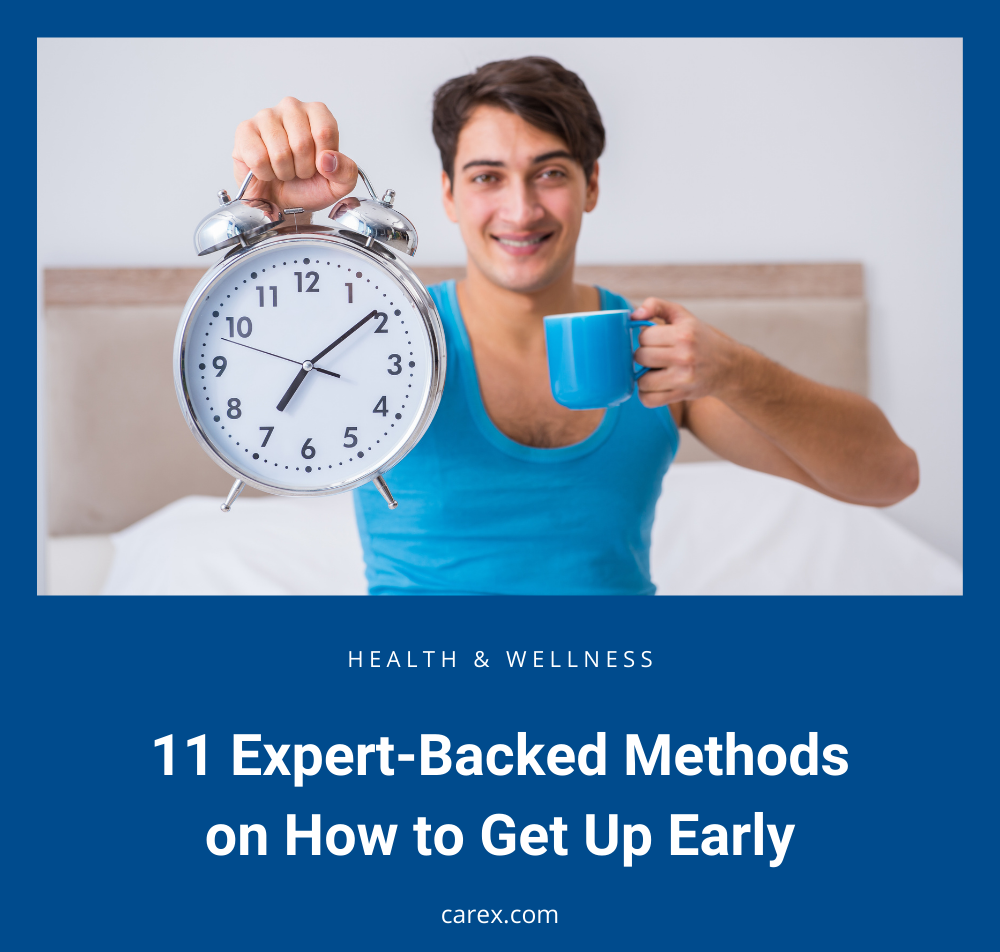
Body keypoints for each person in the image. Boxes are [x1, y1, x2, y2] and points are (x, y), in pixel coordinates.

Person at [231, 56, 919, 595]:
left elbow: (890, 477)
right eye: (487, 177)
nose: (521, 209)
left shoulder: (656, 354)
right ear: (447, 193)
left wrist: (734, 370)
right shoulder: (381, 335)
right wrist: (287, 215)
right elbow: (265, 351)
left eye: (549, 172)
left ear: (592, 184)